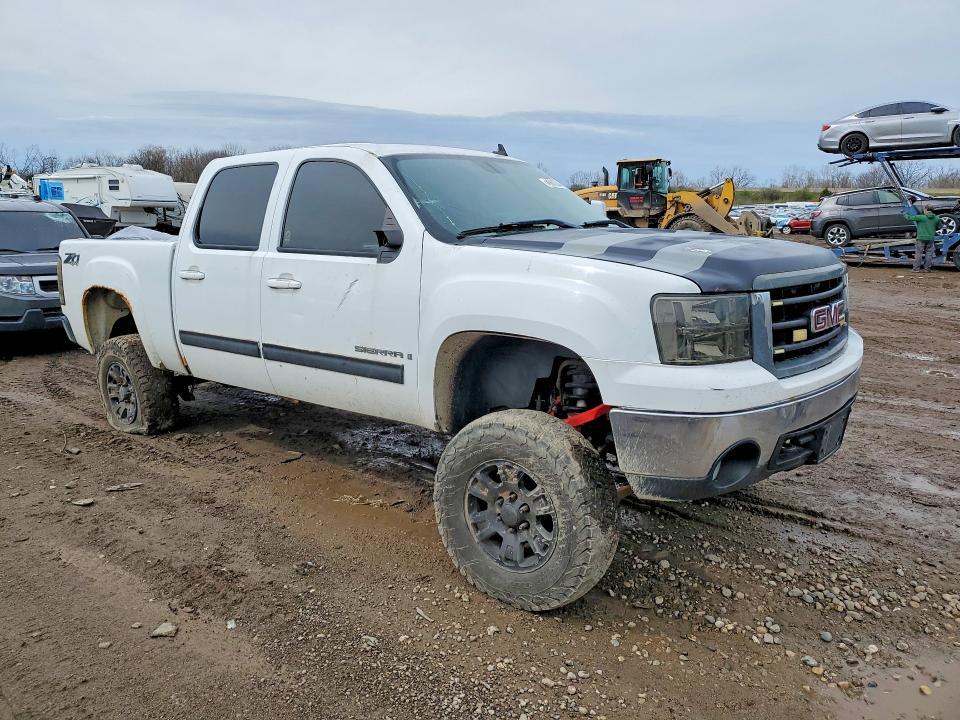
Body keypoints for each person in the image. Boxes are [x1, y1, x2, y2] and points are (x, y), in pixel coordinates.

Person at [903, 202, 939, 273]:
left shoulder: (921, 217)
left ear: (926, 209)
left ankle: (916, 269)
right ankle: (927, 269)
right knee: (929, 254)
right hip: (930, 238)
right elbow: (939, 227)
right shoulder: (937, 218)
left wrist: (904, 213)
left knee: (919, 253)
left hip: (921, 238)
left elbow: (909, 218)